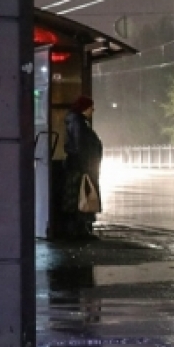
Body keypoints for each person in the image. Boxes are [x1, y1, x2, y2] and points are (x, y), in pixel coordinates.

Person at [63, 95, 103, 240]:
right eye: (91, 107)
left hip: (80, 165)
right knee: (81, 197)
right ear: (84, 108)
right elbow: (81, 146)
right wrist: (86, 166)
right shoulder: (78, 123)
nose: (93, 110)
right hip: (81, 166)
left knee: (79, 197)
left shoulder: (78, 122)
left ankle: (80, 229)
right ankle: (79, 230)